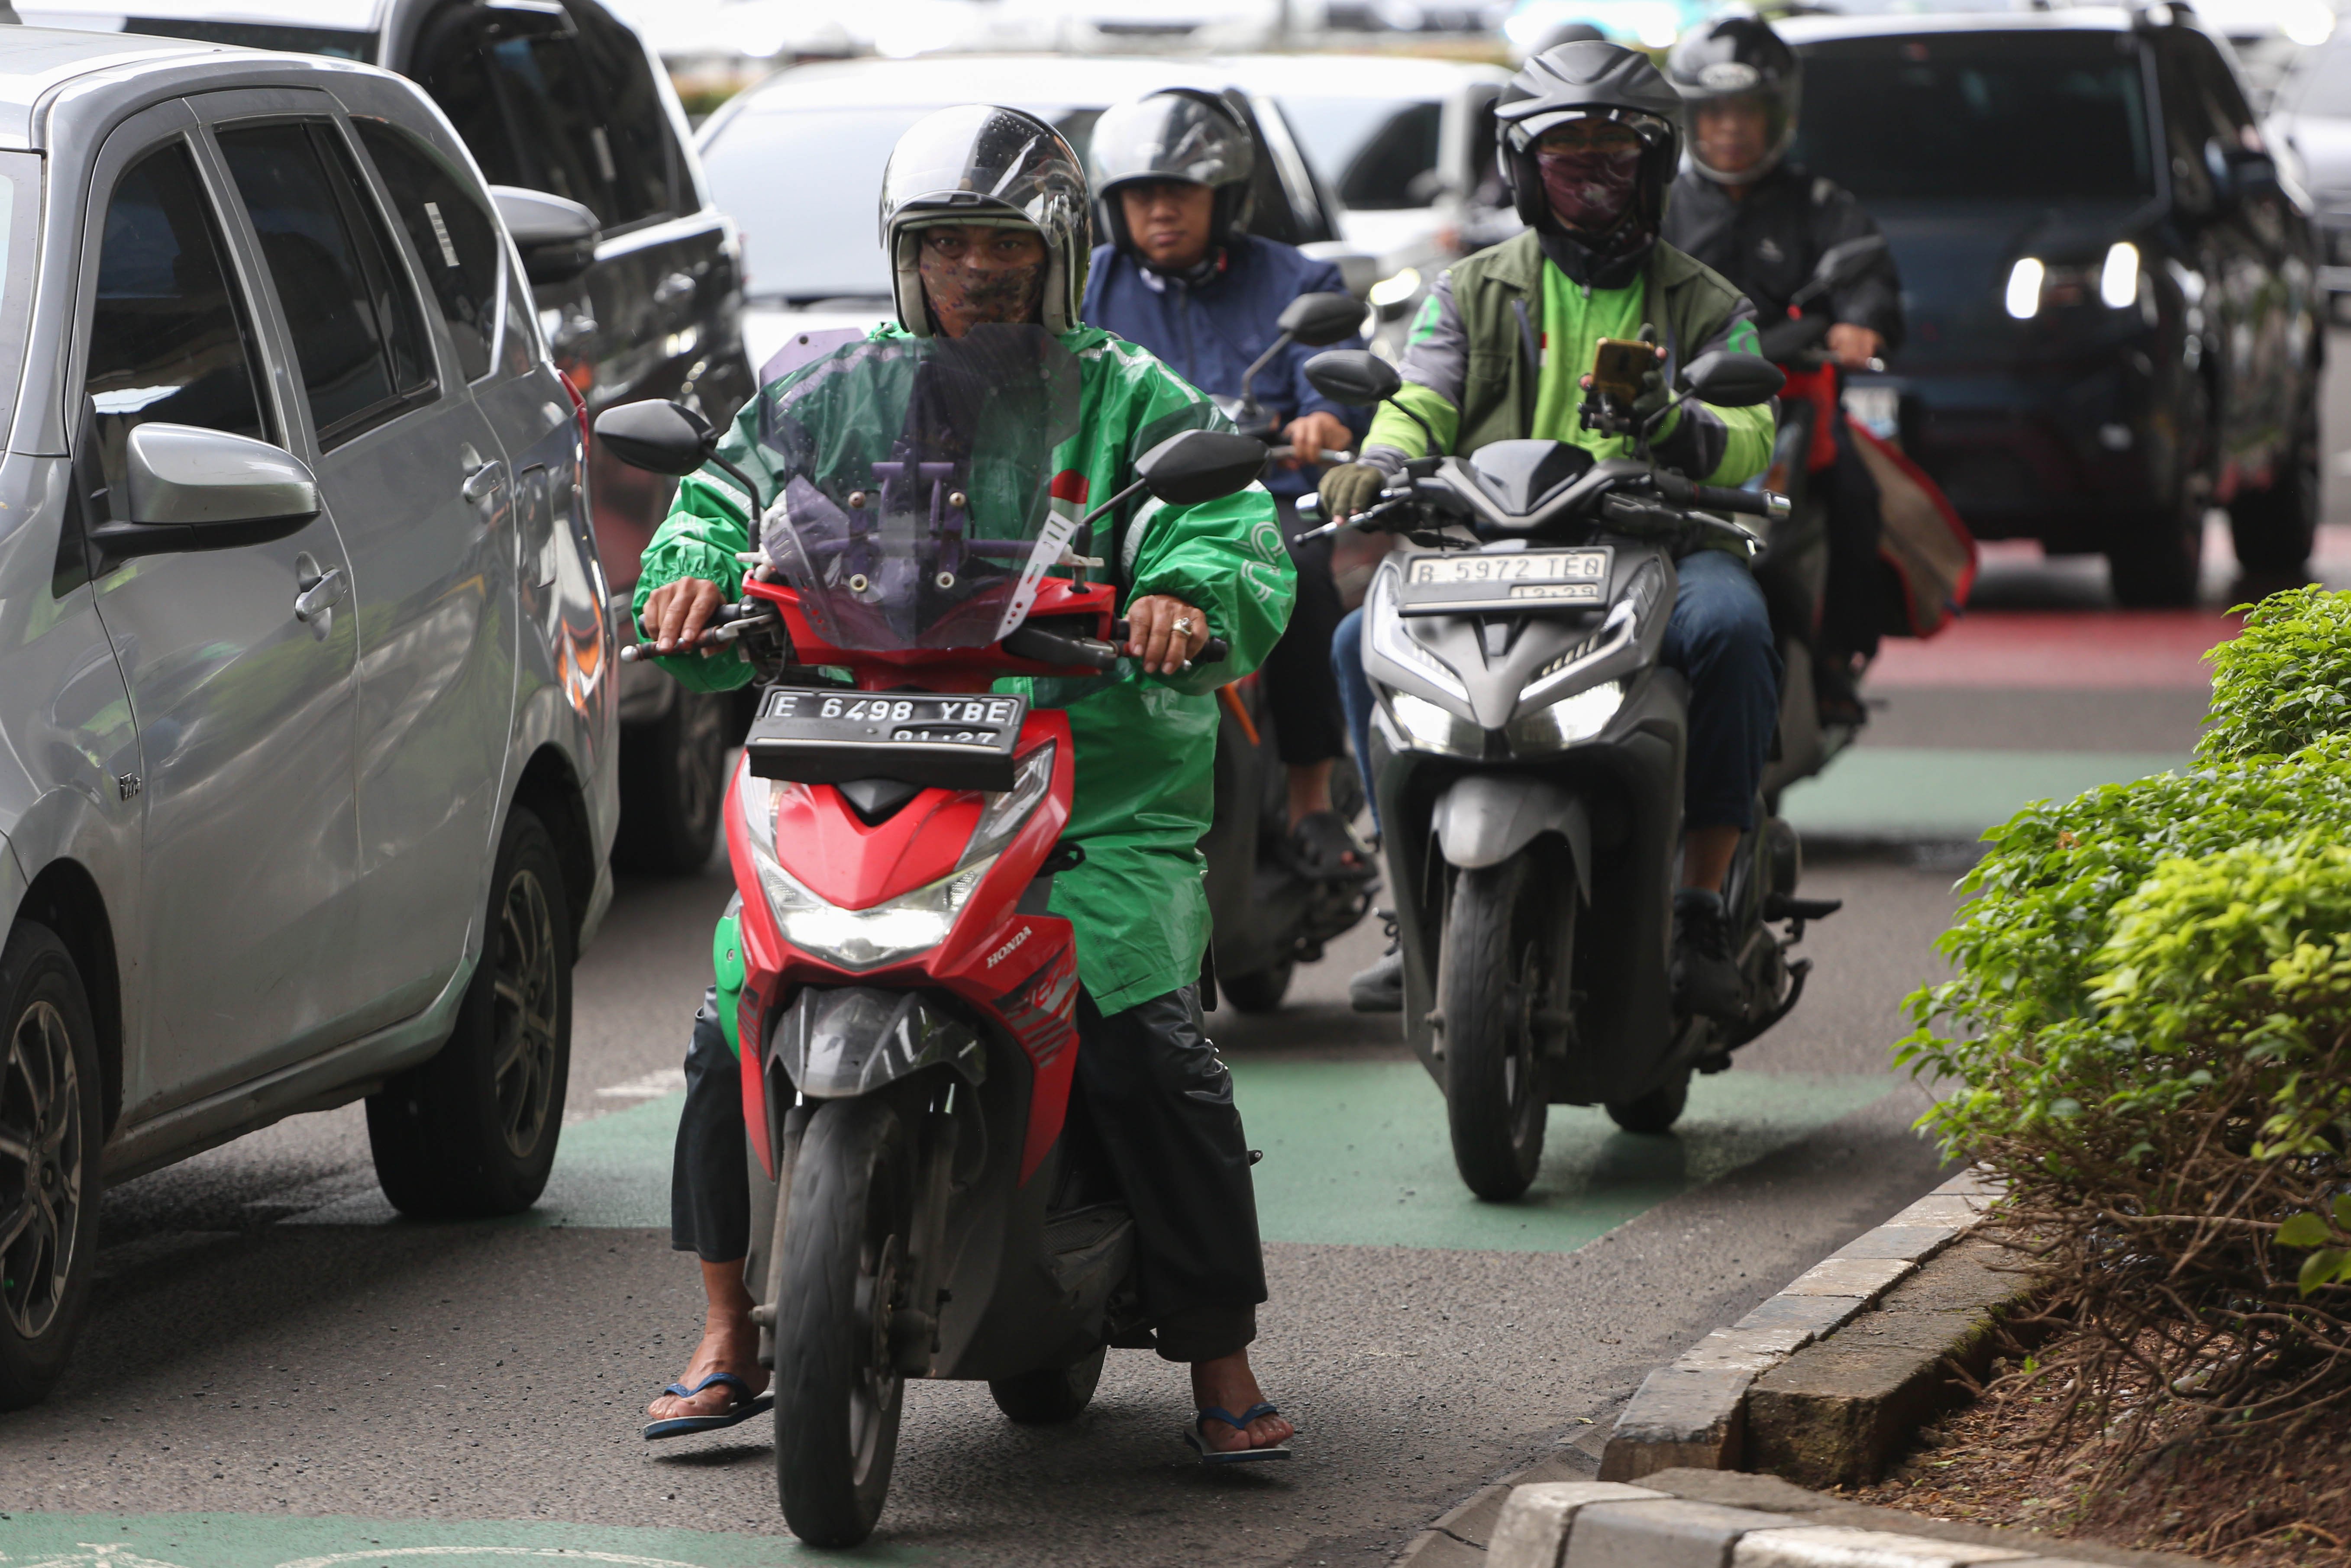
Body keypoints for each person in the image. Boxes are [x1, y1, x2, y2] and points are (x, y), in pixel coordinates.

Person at [633, 104, 1300, 1462]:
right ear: (906, 260)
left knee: (1143, 1037)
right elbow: (718, 495)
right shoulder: (828, 391)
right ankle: (728, 1324)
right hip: (855, 758)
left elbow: (1224, 530)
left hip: (1087, 798)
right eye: (947, 248)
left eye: (1004, 245)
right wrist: (688, 581)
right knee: (727, 1007)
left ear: (1055, 251)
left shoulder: (1131, 395)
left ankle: (1217, 1352)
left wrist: (1177, 596)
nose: (978, 271)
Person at [1324, 41, 1779, 1022]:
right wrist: (1381, 461)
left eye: (1615, 162)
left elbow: (1750, 437)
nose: (1592, 183)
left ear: (1654, 171)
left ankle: (1703, 897)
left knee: (1734, 629)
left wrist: (1673, 421)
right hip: (1492, 554)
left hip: (1662, 547)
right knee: (1355, 639)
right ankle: (1411, 911)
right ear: (1526, 170)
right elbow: (1420, 400)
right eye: (1570, 163)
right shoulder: (1467, 290)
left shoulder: (1708, 301)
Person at [1081, 88, 1374, 881]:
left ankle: (1310, 800)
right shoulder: (1083, 287)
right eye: (1142, 194)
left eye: (1180, 192)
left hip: (1258, 500)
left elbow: (1336, 389)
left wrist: (1324, 424)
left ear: (1224, 198)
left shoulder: (1296, 280)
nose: (1161, 211)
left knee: (1304, 572)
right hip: (1115, 509)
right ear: (1115, 206)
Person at [1661, 13, 1904, 725]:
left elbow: (1866, 275)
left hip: (1797, 411)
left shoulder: (1819, 205)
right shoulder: (1660, 209)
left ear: (1779, 118)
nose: (1730, 129)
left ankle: (1836, 661)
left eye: (1746, 112)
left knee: (1858, 507)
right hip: (1677, 414)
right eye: (1714, 113)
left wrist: (1860, 322)